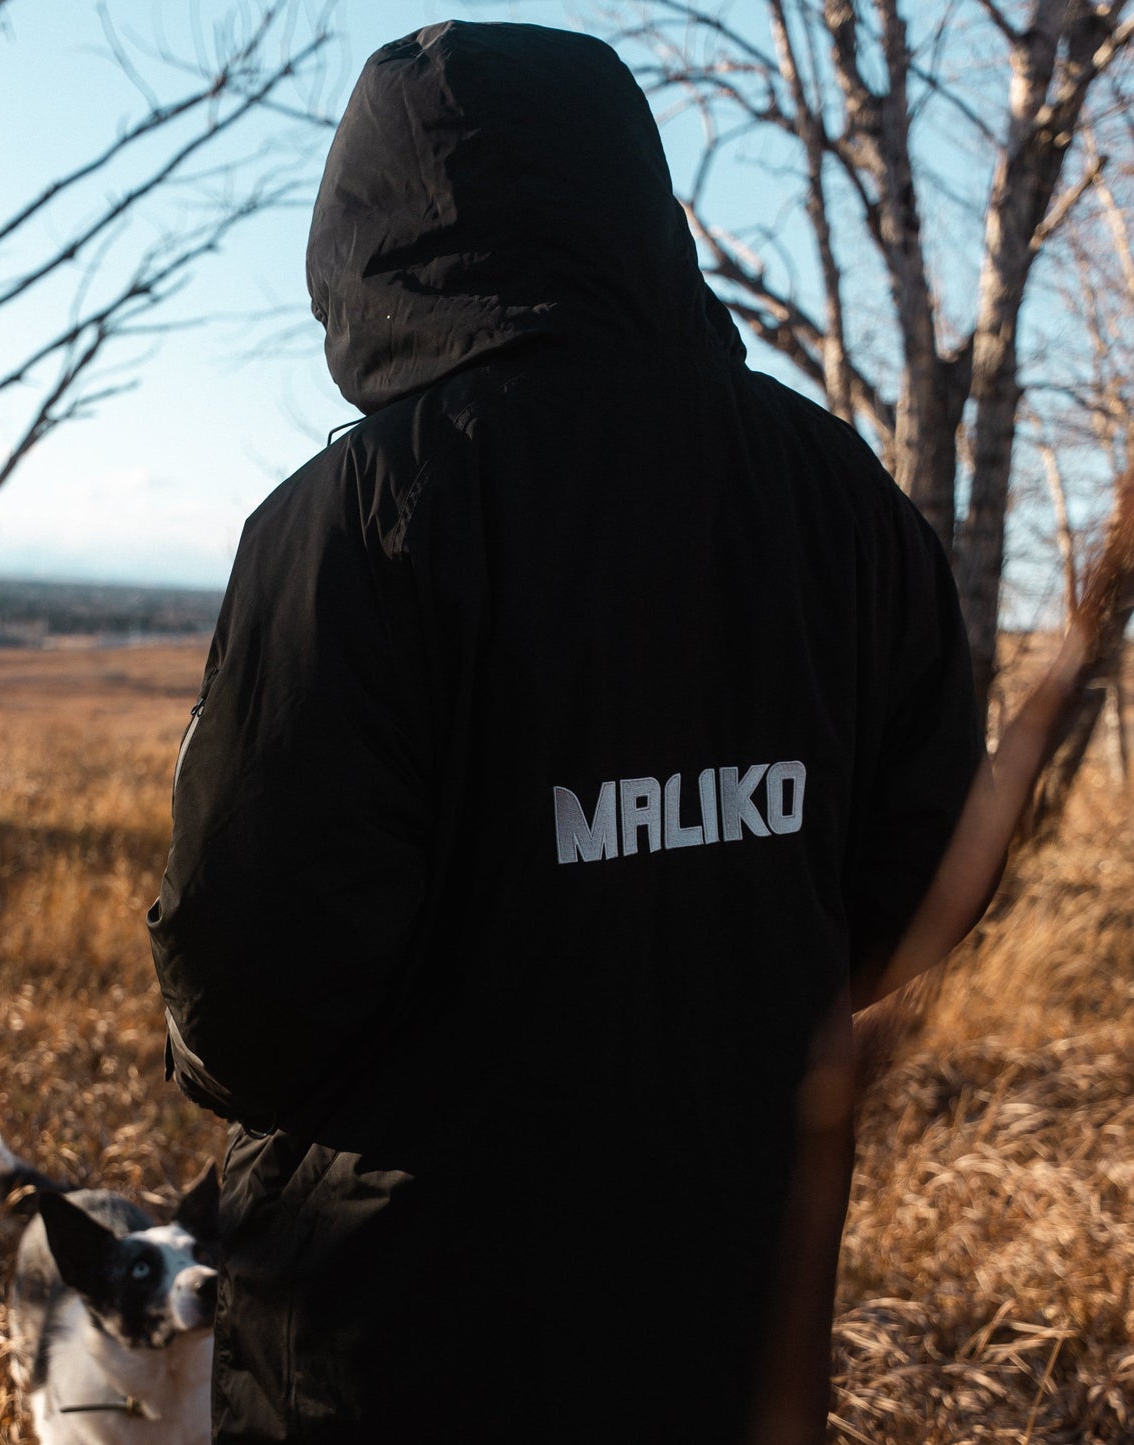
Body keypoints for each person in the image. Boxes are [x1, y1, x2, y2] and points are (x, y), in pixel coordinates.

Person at [147, 19, 983, 1444]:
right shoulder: (833, 492)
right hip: (728, 1309)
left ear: (362, 242)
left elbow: (245, 1004)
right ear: (636, 212)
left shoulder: (355, 523)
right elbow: (924, 882)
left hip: (392, 1341)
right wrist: (712, 988)